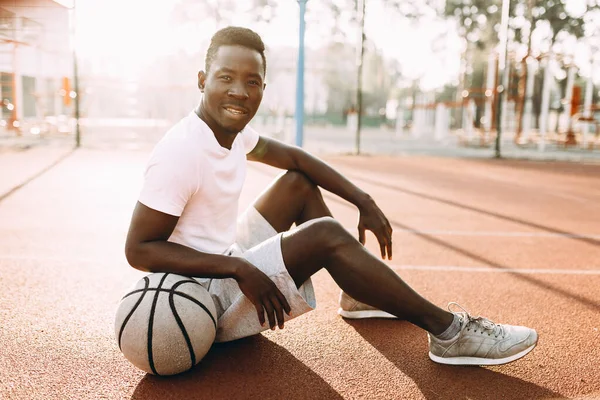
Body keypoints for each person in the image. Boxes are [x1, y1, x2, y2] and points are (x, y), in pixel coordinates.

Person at [125, 26, 537, 366]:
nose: (240, 92)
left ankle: (357, 292)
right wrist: (238, 269)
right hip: (198, 299)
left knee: (297, 185)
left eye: (252, 82)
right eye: (225, 78)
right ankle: (449, 332)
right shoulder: (181, 151)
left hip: (225, 260)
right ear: (202, 80)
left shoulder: (229, 133)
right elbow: (139, 249)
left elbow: (294, 158)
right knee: (325, 236)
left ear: (263, 88)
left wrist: (363, 199)